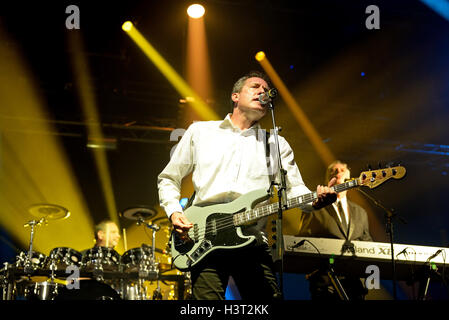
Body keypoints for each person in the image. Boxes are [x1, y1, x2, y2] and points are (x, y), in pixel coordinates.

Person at [157, 70, 337, 300]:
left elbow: (295, 190)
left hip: (251, 240)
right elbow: (169, 177)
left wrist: (316, 199)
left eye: (266, 90)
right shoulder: (201, 132)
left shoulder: (275, 144)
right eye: (255, 87)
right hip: (203, 238)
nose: (263, 91)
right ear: (235, 96)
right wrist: (174, 212)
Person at [297, 160, 373, 300]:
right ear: (328, 179)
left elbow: (368, 244)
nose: (338, 172)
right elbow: (302, 241)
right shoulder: (315, 208)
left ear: (349, 178)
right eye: (333, 171)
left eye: (341, 170)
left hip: (355, 285)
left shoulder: (360, 212)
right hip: (325, 284)